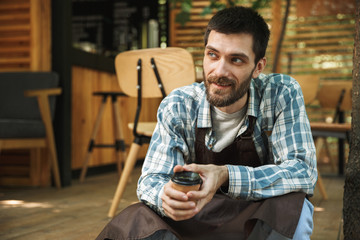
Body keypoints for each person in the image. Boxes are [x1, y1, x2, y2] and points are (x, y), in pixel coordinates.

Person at [97, 6, 317, 240]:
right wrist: (167, 196)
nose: (219, 71)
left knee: (294, 208)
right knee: (136, 219)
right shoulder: (178, 104)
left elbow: (303, 170)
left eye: (236, 60)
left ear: (258, 67)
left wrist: (225, 175)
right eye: (213, 54)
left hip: (252, 218)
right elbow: (151, 179)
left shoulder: (281, 92)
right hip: (193, 217)